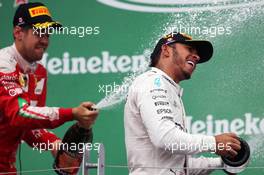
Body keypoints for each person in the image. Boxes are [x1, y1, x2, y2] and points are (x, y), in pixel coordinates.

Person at [0, 2, 98, 174]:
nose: (44, 40)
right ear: (18, 33)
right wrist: (72, 113)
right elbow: (20, 114)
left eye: (47, 34)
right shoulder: (3, 65)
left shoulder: (39, 72)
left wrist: (52, 143)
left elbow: (29, 125)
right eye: (38, 32)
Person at [124, 32, 241, 175]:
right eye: (189, 49)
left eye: (197, 53)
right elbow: (164, 138)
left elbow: (178, 166)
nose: (197, 57)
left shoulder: (168, 88)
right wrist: (214, 143)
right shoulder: (152, 82)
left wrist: (223, 163)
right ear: (166, 50)